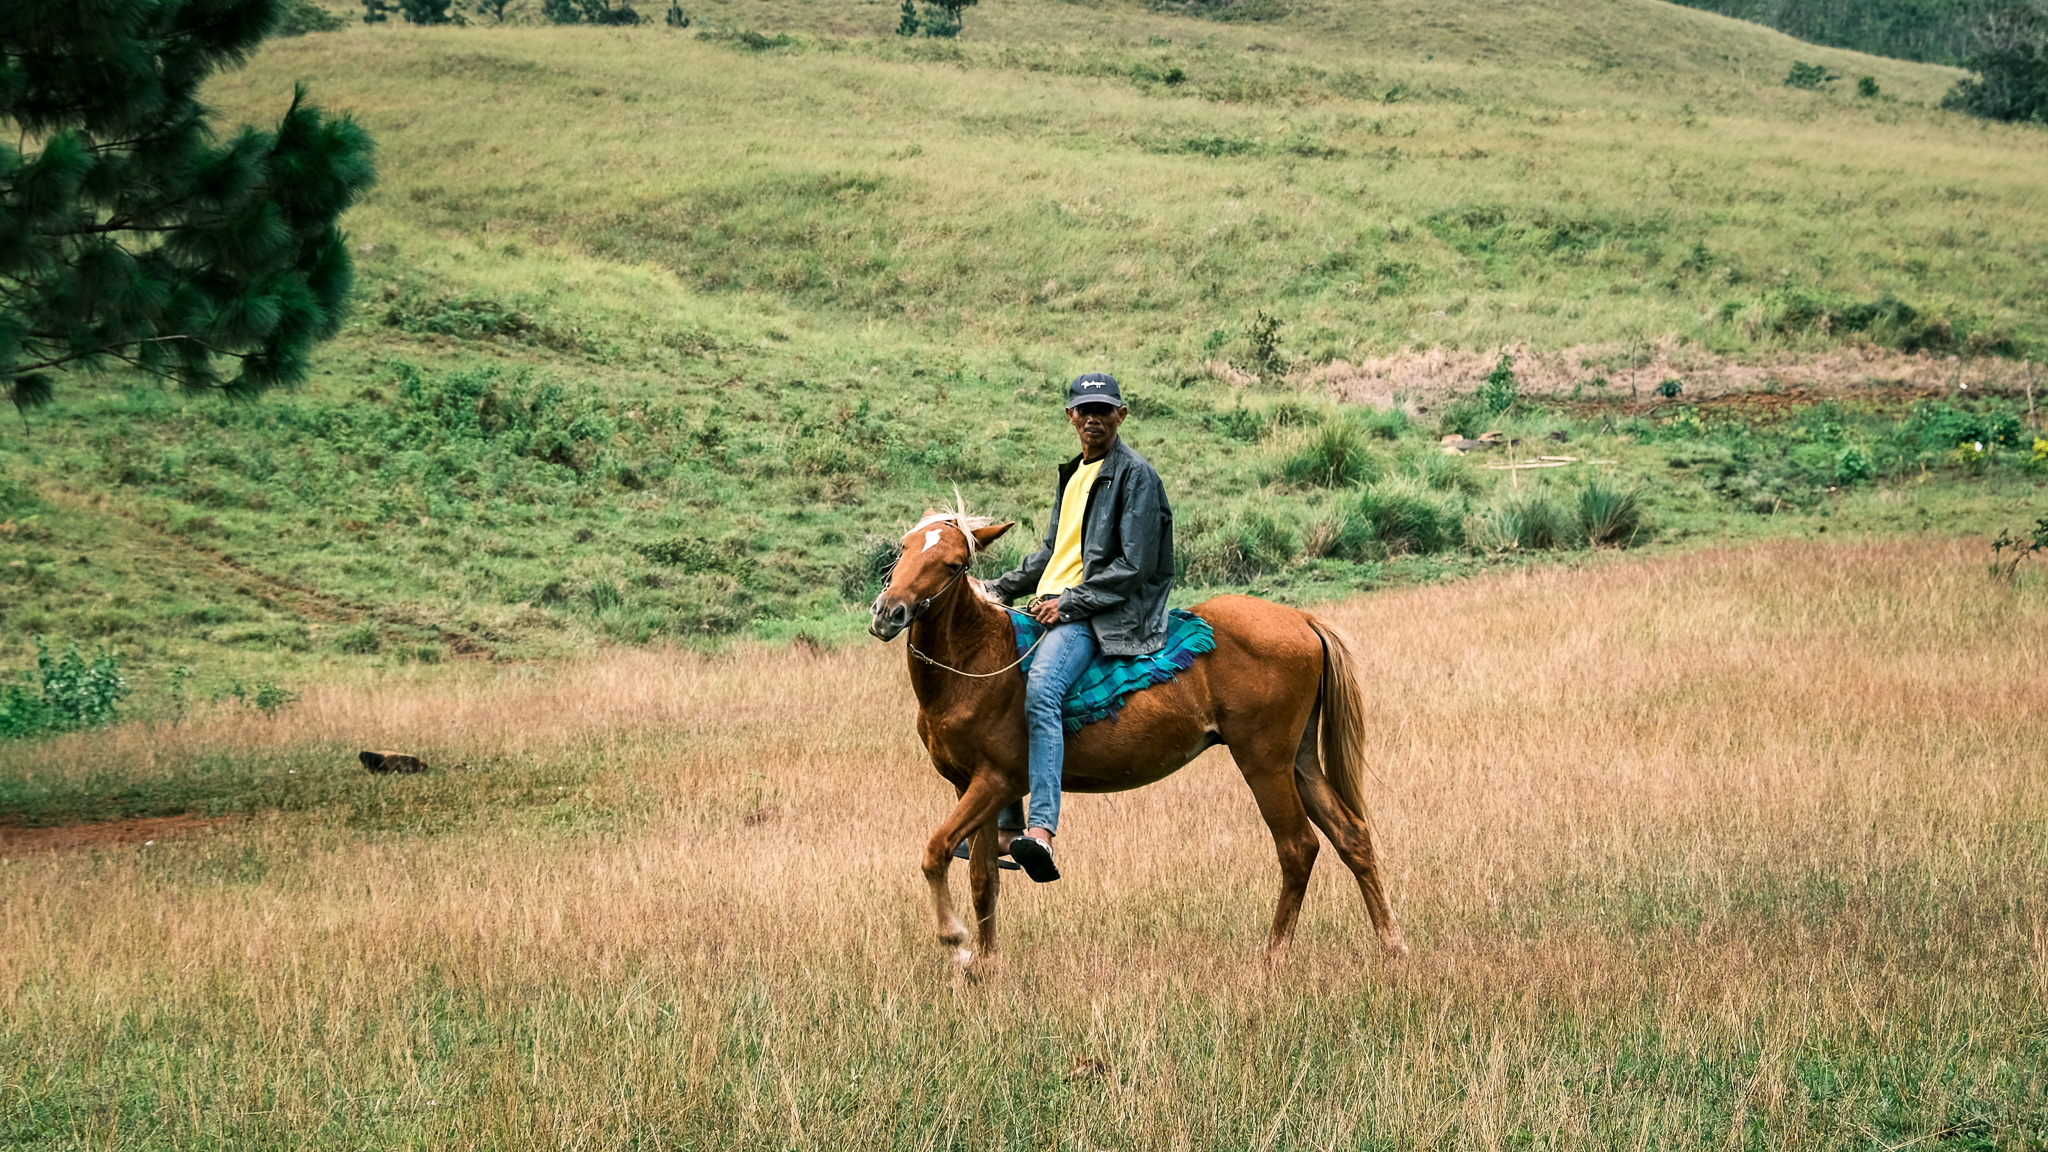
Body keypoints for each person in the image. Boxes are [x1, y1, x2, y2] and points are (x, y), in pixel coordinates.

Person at [982, 372, 1175, 883]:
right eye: (1083, 409)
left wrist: (1069, 603)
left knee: (1042, 689)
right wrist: (999, 589)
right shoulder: (1074, 476)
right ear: (1070, 416)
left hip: (1103, 613)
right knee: (998, 688)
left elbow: (1133, 566)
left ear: (1121, 415)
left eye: (1104, 409)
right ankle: (1005, 825)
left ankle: (1041, 830)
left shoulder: (1137, 476)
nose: (1093, 417)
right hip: (1054, 602)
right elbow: (1052, 552)